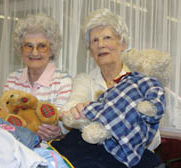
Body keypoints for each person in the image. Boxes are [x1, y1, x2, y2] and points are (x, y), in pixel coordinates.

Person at [52, 9, 162, 168]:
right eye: (94, 40)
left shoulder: (142, 82)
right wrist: (77, 111)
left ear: (122, 44)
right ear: (90, 51)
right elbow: (70, 111)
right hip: (89, 156)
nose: (101, 44)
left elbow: (154, 139)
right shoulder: (85, 80)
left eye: (107, 38)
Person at [4, 14, 72, 141]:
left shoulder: (63, 81)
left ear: (51, 49)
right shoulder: (12, 79)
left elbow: (64, 123)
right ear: (21, 49)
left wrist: (59, 131)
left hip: (46, 150)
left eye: (41, 46)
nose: (34, 52)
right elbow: (4, 115)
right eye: (28, 46)